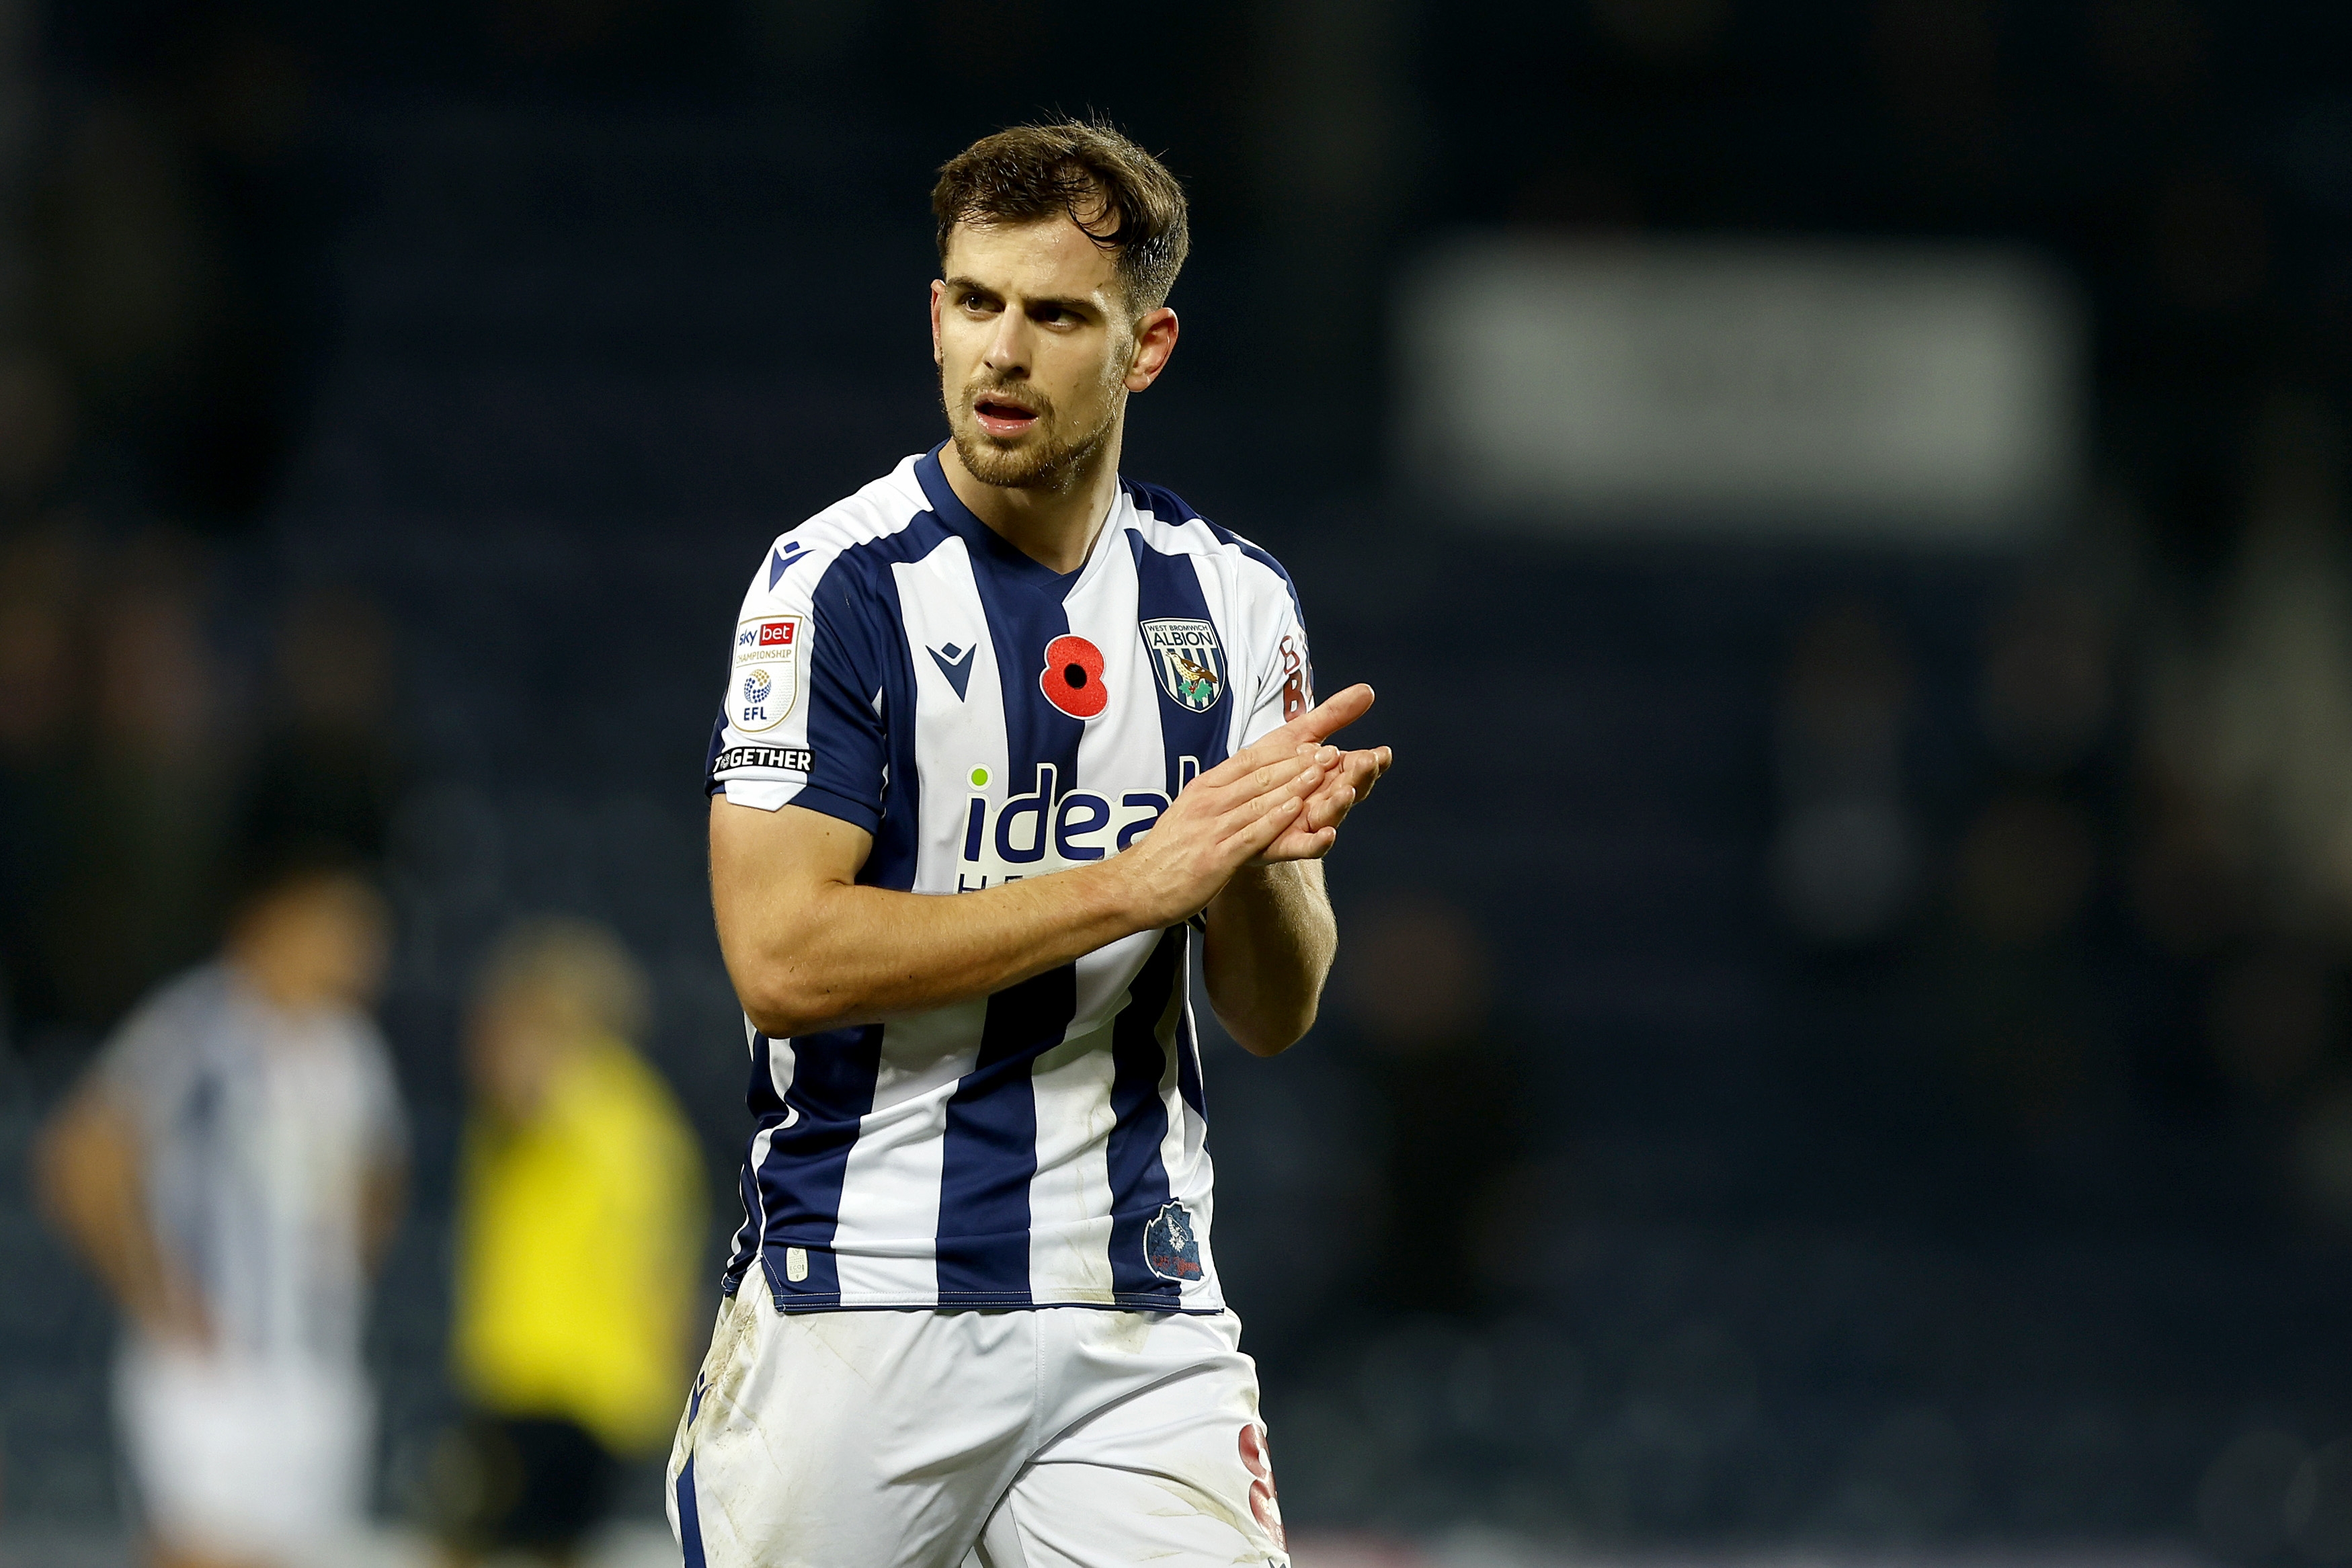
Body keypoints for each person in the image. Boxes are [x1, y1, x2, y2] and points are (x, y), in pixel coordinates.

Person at [674, 120, 1393, 1568]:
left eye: (1057, 313)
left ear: (1146, 346)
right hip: (862, 1299)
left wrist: (1251, 863)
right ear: (936, 313)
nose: (1002, 351)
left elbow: (1274, 1006)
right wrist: (1140, 879)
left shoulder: (1236, 607)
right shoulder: (835, 589)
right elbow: (780, 956)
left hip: (1134, 1309)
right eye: (976, 302)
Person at [35, 854, 406, 1568]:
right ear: (272, 925)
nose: (361, 952)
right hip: (209, 1368)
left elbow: (382, 1172)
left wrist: (344, 1265)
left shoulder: (353, 1050)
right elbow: (80, 1156)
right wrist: (151, 1286)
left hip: (319, 1371)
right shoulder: (195, 1025)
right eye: (338, 929)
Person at [442, 917, 704, 1564]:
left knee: (463, 1543)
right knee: (558, 1547)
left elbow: (506, 1076)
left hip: (533, 1371)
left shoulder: (557, 1092)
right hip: (612, 1385)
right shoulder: (648, 1114)